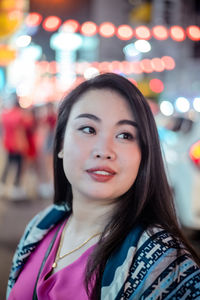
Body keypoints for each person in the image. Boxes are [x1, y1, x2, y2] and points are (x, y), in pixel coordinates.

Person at [7, 73, 200, 299]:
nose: (104, 150)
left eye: (125, 135)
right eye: (88, 129)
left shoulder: (167, 264)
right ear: (60, 143)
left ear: (144, 155)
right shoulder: (40, 227)